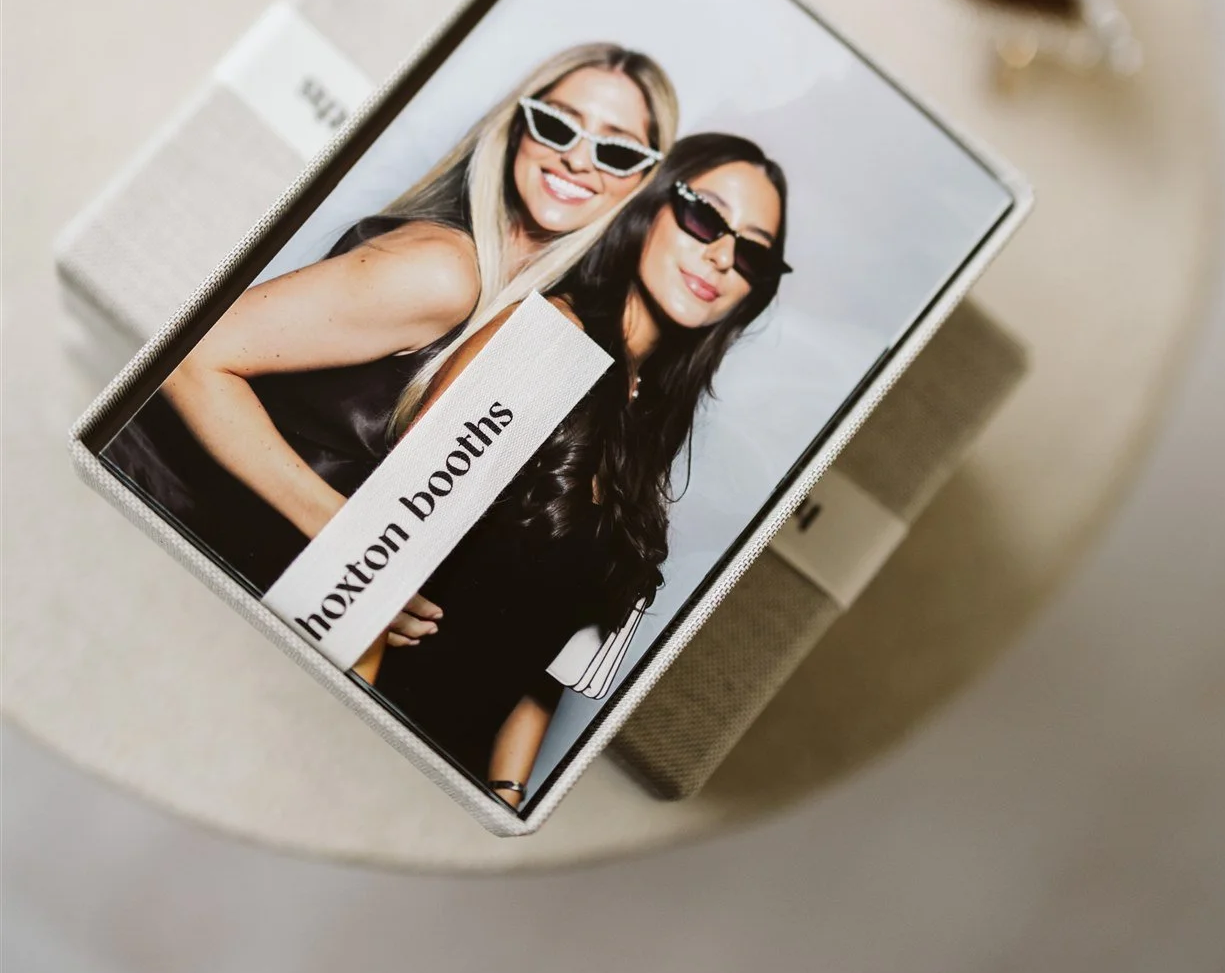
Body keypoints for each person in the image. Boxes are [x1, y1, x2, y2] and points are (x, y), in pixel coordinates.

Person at [105, 44, 678, 588]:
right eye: (557, 123)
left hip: (218, 559)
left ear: (644, 181)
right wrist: (355, 545)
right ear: (517, 127)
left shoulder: (538, 307)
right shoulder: (443, 271)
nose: (577, 158)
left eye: (618, 149)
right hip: (143, 519)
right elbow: (188, 353)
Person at [366, 132, 790, 806]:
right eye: (704, 217)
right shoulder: (544, 340)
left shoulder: (646, 421)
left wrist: (507, 793)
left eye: (753, 253)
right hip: (368, 730)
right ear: (649, 204)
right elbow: (371, 557)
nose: (721, 254)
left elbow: (547, 657)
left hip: (463, 782)